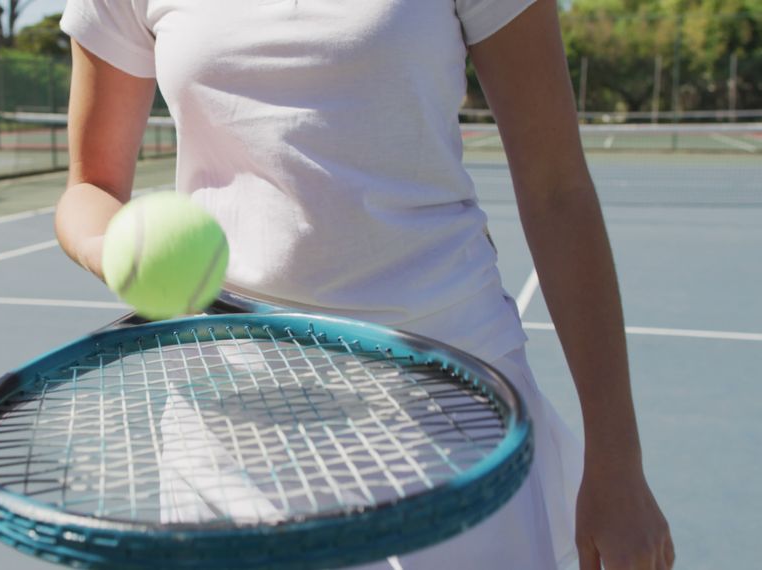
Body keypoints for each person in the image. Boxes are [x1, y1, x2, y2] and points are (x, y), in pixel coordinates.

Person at [52, 0, 674, 568]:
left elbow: (556, 188)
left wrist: (617, 464)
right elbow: (91, 187)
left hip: (453, 404)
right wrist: (112, 249)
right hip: (227, 410)